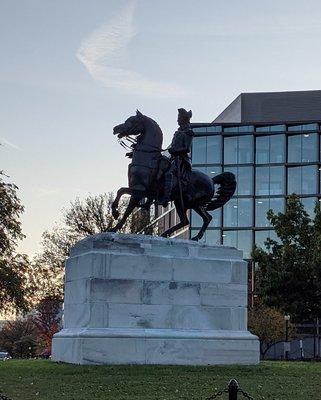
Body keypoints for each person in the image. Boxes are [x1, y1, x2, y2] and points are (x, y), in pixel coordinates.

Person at [158, 108, 194, 207]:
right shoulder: (177, 132)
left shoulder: (189, 132)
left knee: (169, 173)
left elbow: (186, 148)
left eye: (179, 118)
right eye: (177, 117)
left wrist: (174, 151)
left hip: (181, 159)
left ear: (184, 119)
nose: (177, 120)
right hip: (173, 157)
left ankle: (166, 198)